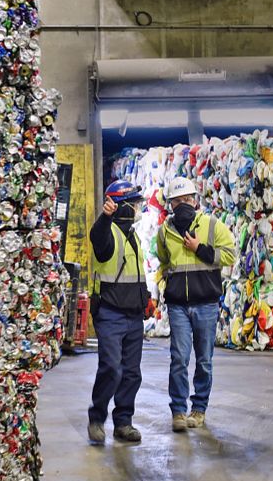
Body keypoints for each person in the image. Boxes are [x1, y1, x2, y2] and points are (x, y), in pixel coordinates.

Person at [156, 177, 236, 432]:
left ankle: (199, 409)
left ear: (195, 200)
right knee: (179, 358)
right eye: (177, 201)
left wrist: (199, 248)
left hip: (206, 303)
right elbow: (164, 260)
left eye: (186, 200)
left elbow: (230, 255)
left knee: (204, 360)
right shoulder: (164, 231)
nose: (182, 205)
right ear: (170, 204)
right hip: (178, 304)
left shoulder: (213, 225)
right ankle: (178, 411)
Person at [87, 180, 153, 445]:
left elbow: (135, 272)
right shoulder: (108, 233)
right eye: (135, 204)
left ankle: (123, 423)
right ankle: (97, 419)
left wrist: (145, 298)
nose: (138, 208)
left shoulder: (133, 235)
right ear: (122, 206)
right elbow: (97, 238)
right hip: (110, 313)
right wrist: (106, 216)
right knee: (111, 368)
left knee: (131, 373)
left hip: (133, 314)